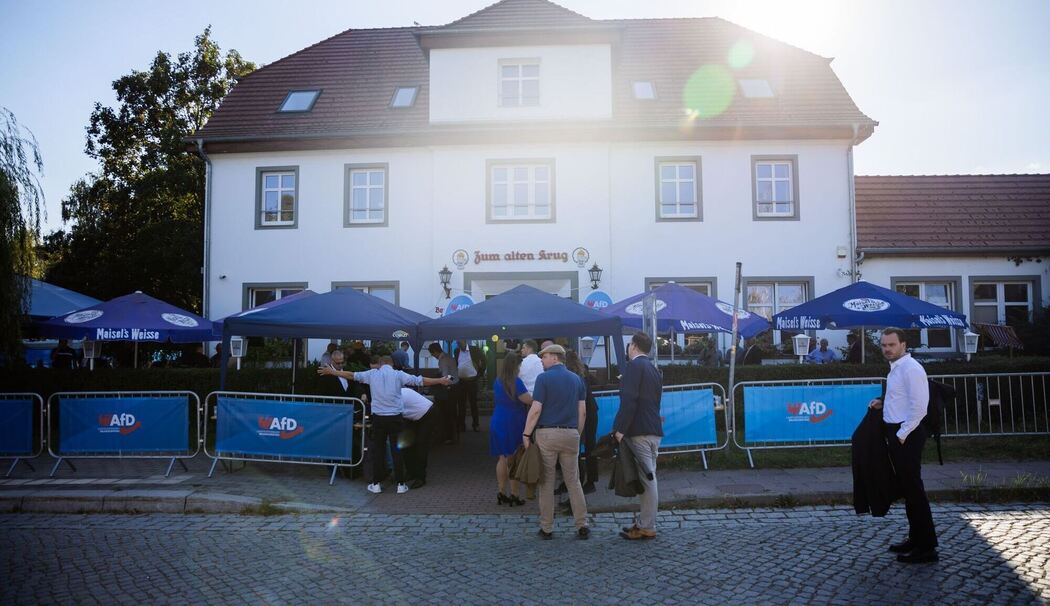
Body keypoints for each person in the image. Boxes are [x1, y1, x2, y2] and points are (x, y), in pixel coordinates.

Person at [319, 355, 451, 494]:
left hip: (379, 418)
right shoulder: (398, 374)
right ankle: (401, 485)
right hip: (395, 418)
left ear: (380, 364)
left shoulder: (371, 374)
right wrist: (440, 380)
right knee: (397, 451)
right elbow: (421, 381)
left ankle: (376, 484)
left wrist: (333, 372)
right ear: (392, 364)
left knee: (378, 451)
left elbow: (351, 375)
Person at [868, 327, 938, 563]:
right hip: (899, 433)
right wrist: (882, 401)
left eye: (891, 345)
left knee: (914, 491)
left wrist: (902, 434)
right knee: (909, 490)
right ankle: (915, 539)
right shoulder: (896, 368)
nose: (887, 349)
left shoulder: (911, 369)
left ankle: (927, 547)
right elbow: (901, 398)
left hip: (907, 435)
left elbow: (920, 407)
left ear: (903, 345)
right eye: (884, 345)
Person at [522, 344, 589, 540]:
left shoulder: (543, 379)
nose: (541, 361)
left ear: (554, 357)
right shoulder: (577, 379)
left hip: (547, 434)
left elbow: (535, 410)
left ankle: (547, 527)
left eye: (544, 357)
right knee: (573, 481)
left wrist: (526, 434)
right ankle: (582, 524)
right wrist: (577, 433)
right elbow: (582, 412)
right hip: (571, 433)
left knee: (547, 482)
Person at [614, 331, 664, 540]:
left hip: (639, 430)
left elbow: (629, 400)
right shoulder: (653, 368)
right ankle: (644, 522)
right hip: (651, 429)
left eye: (628, 345)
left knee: (648, 478)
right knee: (647, 477)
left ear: (633, 346)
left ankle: (647, 525)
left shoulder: (634, 366)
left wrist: (620, 429)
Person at [490, 353, 532, 506]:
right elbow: (527, 400)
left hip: (498, 419)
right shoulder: (516, 381)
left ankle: (501, 492)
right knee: (514, 458)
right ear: (516, 366)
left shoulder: (498, 381)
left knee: (502, 458)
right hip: (513, 421)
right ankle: (514, 494)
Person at [566, 350, 599, 494]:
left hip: (583, 412)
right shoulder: (582, 371)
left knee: (577, 448)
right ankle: (589, 481)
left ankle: (583, 482)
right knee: (589, 446)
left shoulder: (574, 375)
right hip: (590, 412)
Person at [400, 387, 437, 489]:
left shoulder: (399, 396)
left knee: (421, 445)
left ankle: (421, 477)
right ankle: (411, 472)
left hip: (427, 414)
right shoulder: (395, 394)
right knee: (405, 444)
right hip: (413, 416)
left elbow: (393, 416)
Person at [427, 342, 461, 444]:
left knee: (447, 413)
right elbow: (452, 374)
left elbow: (446, 377)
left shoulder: (443, 360)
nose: (433, 356)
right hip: (456, 385)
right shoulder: (448, 357)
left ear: (436, 352)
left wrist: (435, 381)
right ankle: (455, 434)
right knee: (453, 412)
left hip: (450, 388)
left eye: (432, 354)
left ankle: (449, 436)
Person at [454, 340, 485, 432]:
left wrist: (480, 373)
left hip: (472, 381)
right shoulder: (456, 351)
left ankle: (476, 424)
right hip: (461, 381)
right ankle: (461, 425)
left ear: (465, 341)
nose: (459, 344)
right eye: (458, 343)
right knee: (461, 404)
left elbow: (484, 360)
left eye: (460, 342)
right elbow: (457, 363)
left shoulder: (474, 349)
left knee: (473, 404)